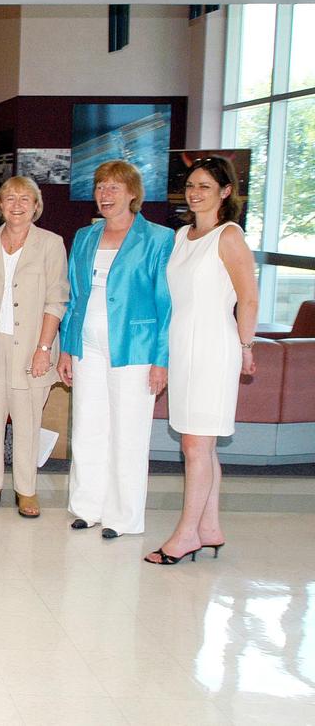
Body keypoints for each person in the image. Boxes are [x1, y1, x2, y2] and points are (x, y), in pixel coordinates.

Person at [146, 157, 258, 565]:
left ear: (225, 192)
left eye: (205, 186)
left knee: (195, 444)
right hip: (183, 347)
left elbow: (248, 297)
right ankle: (210, 527)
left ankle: (186, 534)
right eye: (191, 185)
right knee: (202, 445)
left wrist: (246, 348)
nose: (195, 193)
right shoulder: (182, 236)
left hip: (214, 347)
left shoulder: (229, 236)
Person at [58, 160, 173, 540]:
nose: (105, 195)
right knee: (87, 427)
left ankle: (122, 518)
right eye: (100, 188)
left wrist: (161, 359)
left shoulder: (158, 239)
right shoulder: (85, 236)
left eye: (113, 188)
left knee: (128, 433)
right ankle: (88, 507)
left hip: (134, 349)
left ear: (133, 194)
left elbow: (166, 303)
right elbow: (74, 297)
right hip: (86, 345)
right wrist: (66, 348)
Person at [0, 176, 68, 518]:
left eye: (24, 199)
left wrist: (44, 348)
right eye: (10, 198)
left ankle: (26, 489)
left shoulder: (51, 244)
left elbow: (57, 299)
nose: (17, 205)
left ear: (36, 205)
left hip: (32, 346)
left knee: (28, 420)